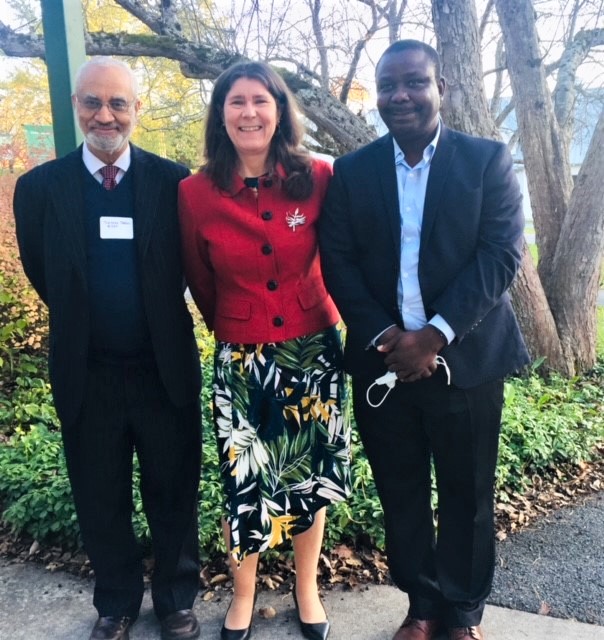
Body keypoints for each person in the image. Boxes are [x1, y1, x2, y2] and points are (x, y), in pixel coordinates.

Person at [319, 40, 530, 640]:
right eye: (388, 85)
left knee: (467, 494)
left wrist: (433, 337)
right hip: (383, 363)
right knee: (401, 491)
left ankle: (462, 614)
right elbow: (338, 261)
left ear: (444, 89)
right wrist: (390, 336)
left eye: (415, 82)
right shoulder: (353, 172)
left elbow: (500, 256)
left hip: (465, 361)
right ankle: (422, 606)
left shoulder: (485, 161)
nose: (400, 96)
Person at [13, 57, 202, 640]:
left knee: (174, 491)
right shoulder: (39, 189)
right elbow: (44, 273)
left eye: (118, 103)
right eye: (93, 101)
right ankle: (115, 603)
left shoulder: (176, 183)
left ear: (136, 110)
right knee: (101, 496)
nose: (105, 114)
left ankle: (175, 599)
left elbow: (194, 266)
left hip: (162, 369)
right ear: (75, 106)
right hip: (87, 371)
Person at [178, 61, 351, 640]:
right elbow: (201, 281)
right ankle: (243, 595)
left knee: (309, 477)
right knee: (244, 480)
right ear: (220, 114)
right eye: (235, 102)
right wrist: (238, 324)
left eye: (260, 100)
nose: (248, 112)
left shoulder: (320, 175)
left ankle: (307, 589)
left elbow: (344, 257)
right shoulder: (195, 193)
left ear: (279, 110)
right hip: (241, 360)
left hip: (314, 354)